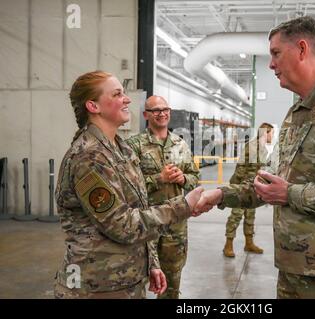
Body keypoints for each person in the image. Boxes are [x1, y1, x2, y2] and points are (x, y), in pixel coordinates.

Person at [194, 16, 315, 299]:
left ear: (301, 49)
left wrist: (292, 194)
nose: (271, 64)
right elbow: (277, 186)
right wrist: (221, 195)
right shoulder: (298, 112)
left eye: (275, 53)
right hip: (295, 267)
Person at [54, 71, 207, 299]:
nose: (127, 99)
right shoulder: (89, 157)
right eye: (117, 94)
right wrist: (182, 206)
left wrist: (151, 262)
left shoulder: (120, 149)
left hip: (123, 280)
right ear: (93, 106)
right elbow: (122, 224)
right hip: (95, 285)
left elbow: (140, 208)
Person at [126, 96, 200, 299]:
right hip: (144, 225)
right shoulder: (133, 145)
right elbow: (127, 187)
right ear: (146, 115)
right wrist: (159, 178)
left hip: (174, 227)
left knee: (172, 283)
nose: (161, 113)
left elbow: (195, 178)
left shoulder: (180, 144)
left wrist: (183, 178)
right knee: (135, 281)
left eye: (165, 109)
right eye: (155, 110)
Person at [223, 123, 274, 257]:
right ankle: (228, 245)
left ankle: (249, 243)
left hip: (252, 187)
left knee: (250, 215)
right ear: (265, 133)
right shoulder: (252, 146)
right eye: (271, 133)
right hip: (242, 188)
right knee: (236, 215)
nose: (272, 136)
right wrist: (239, 189)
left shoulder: (262, 148)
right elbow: (240, 168)